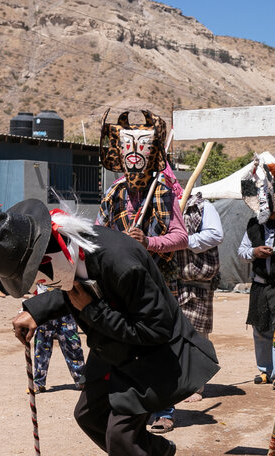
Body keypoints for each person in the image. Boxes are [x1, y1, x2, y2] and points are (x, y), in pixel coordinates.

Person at [0, 199, 218, 456]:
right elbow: (71, 289)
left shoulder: (121, 261)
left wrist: (93, 312)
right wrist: (36, 310)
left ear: (52, 249)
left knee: (121, 435)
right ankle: (152, 453)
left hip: (153, 355)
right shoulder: (68, 252)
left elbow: (155, 329)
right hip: (114, 348)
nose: (38, 282)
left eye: (36, 274)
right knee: (89, 415)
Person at [96, 109, 188, 434]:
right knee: (126, 347)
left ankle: (163, 409)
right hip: (122, 286)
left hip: (158, 284)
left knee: (159, 347)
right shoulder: (112, 196)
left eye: (141, 150)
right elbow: (97, 234)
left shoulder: (163, 192)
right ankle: (133, 406)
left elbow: (181, 237)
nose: (133, 157)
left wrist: (148, 242)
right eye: (127, 150)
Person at [238, 161, 275, 389]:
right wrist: (254, 252)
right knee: (261, 329)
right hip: (260, 285)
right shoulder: (254, 225)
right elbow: (242, 252)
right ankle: (264, 370)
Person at [172, 190, 224, 402]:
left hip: (197, 282)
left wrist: (181, 241)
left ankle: (196, 384)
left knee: (196, 335)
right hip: (173, 282)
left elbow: (215, 235)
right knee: (175, 335)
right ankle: (180, 381)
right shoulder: (162, 208)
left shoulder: (202, 208)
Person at [31, 285, 87, 393]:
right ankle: (38, 382)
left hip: (65, 306)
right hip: (43, 306)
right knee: (41, 348)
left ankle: (82, 380)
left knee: (73, 346)